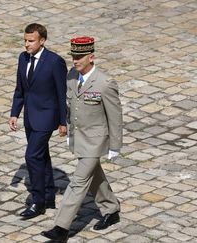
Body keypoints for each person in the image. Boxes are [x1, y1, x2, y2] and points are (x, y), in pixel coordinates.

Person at [41, 36, 123, 242]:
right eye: (74, 56)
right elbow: (71, 109)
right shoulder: (71, 76)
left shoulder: (104, 83)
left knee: (78, 182)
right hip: (79, 139)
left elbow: (115, 117)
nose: (75, 60)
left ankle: (61, 228)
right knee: (94, 176)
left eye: (80, 57)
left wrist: (115, 146)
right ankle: (111, 209)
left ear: (91, 57)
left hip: (95, 142)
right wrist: (69, 133)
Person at [9, 23, 67, 220]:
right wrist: (15, 113)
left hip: (46, 117)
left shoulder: (54, 62)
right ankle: (49, 194)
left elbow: (61, 93)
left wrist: (63, 121)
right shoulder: (22, 58)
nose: (27, 44)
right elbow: (20, 89)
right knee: (42, 156)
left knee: (32, 156)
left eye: (31, 41)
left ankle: (38, 201)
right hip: (30, 118)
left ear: (42, 41)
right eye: (25, 40)